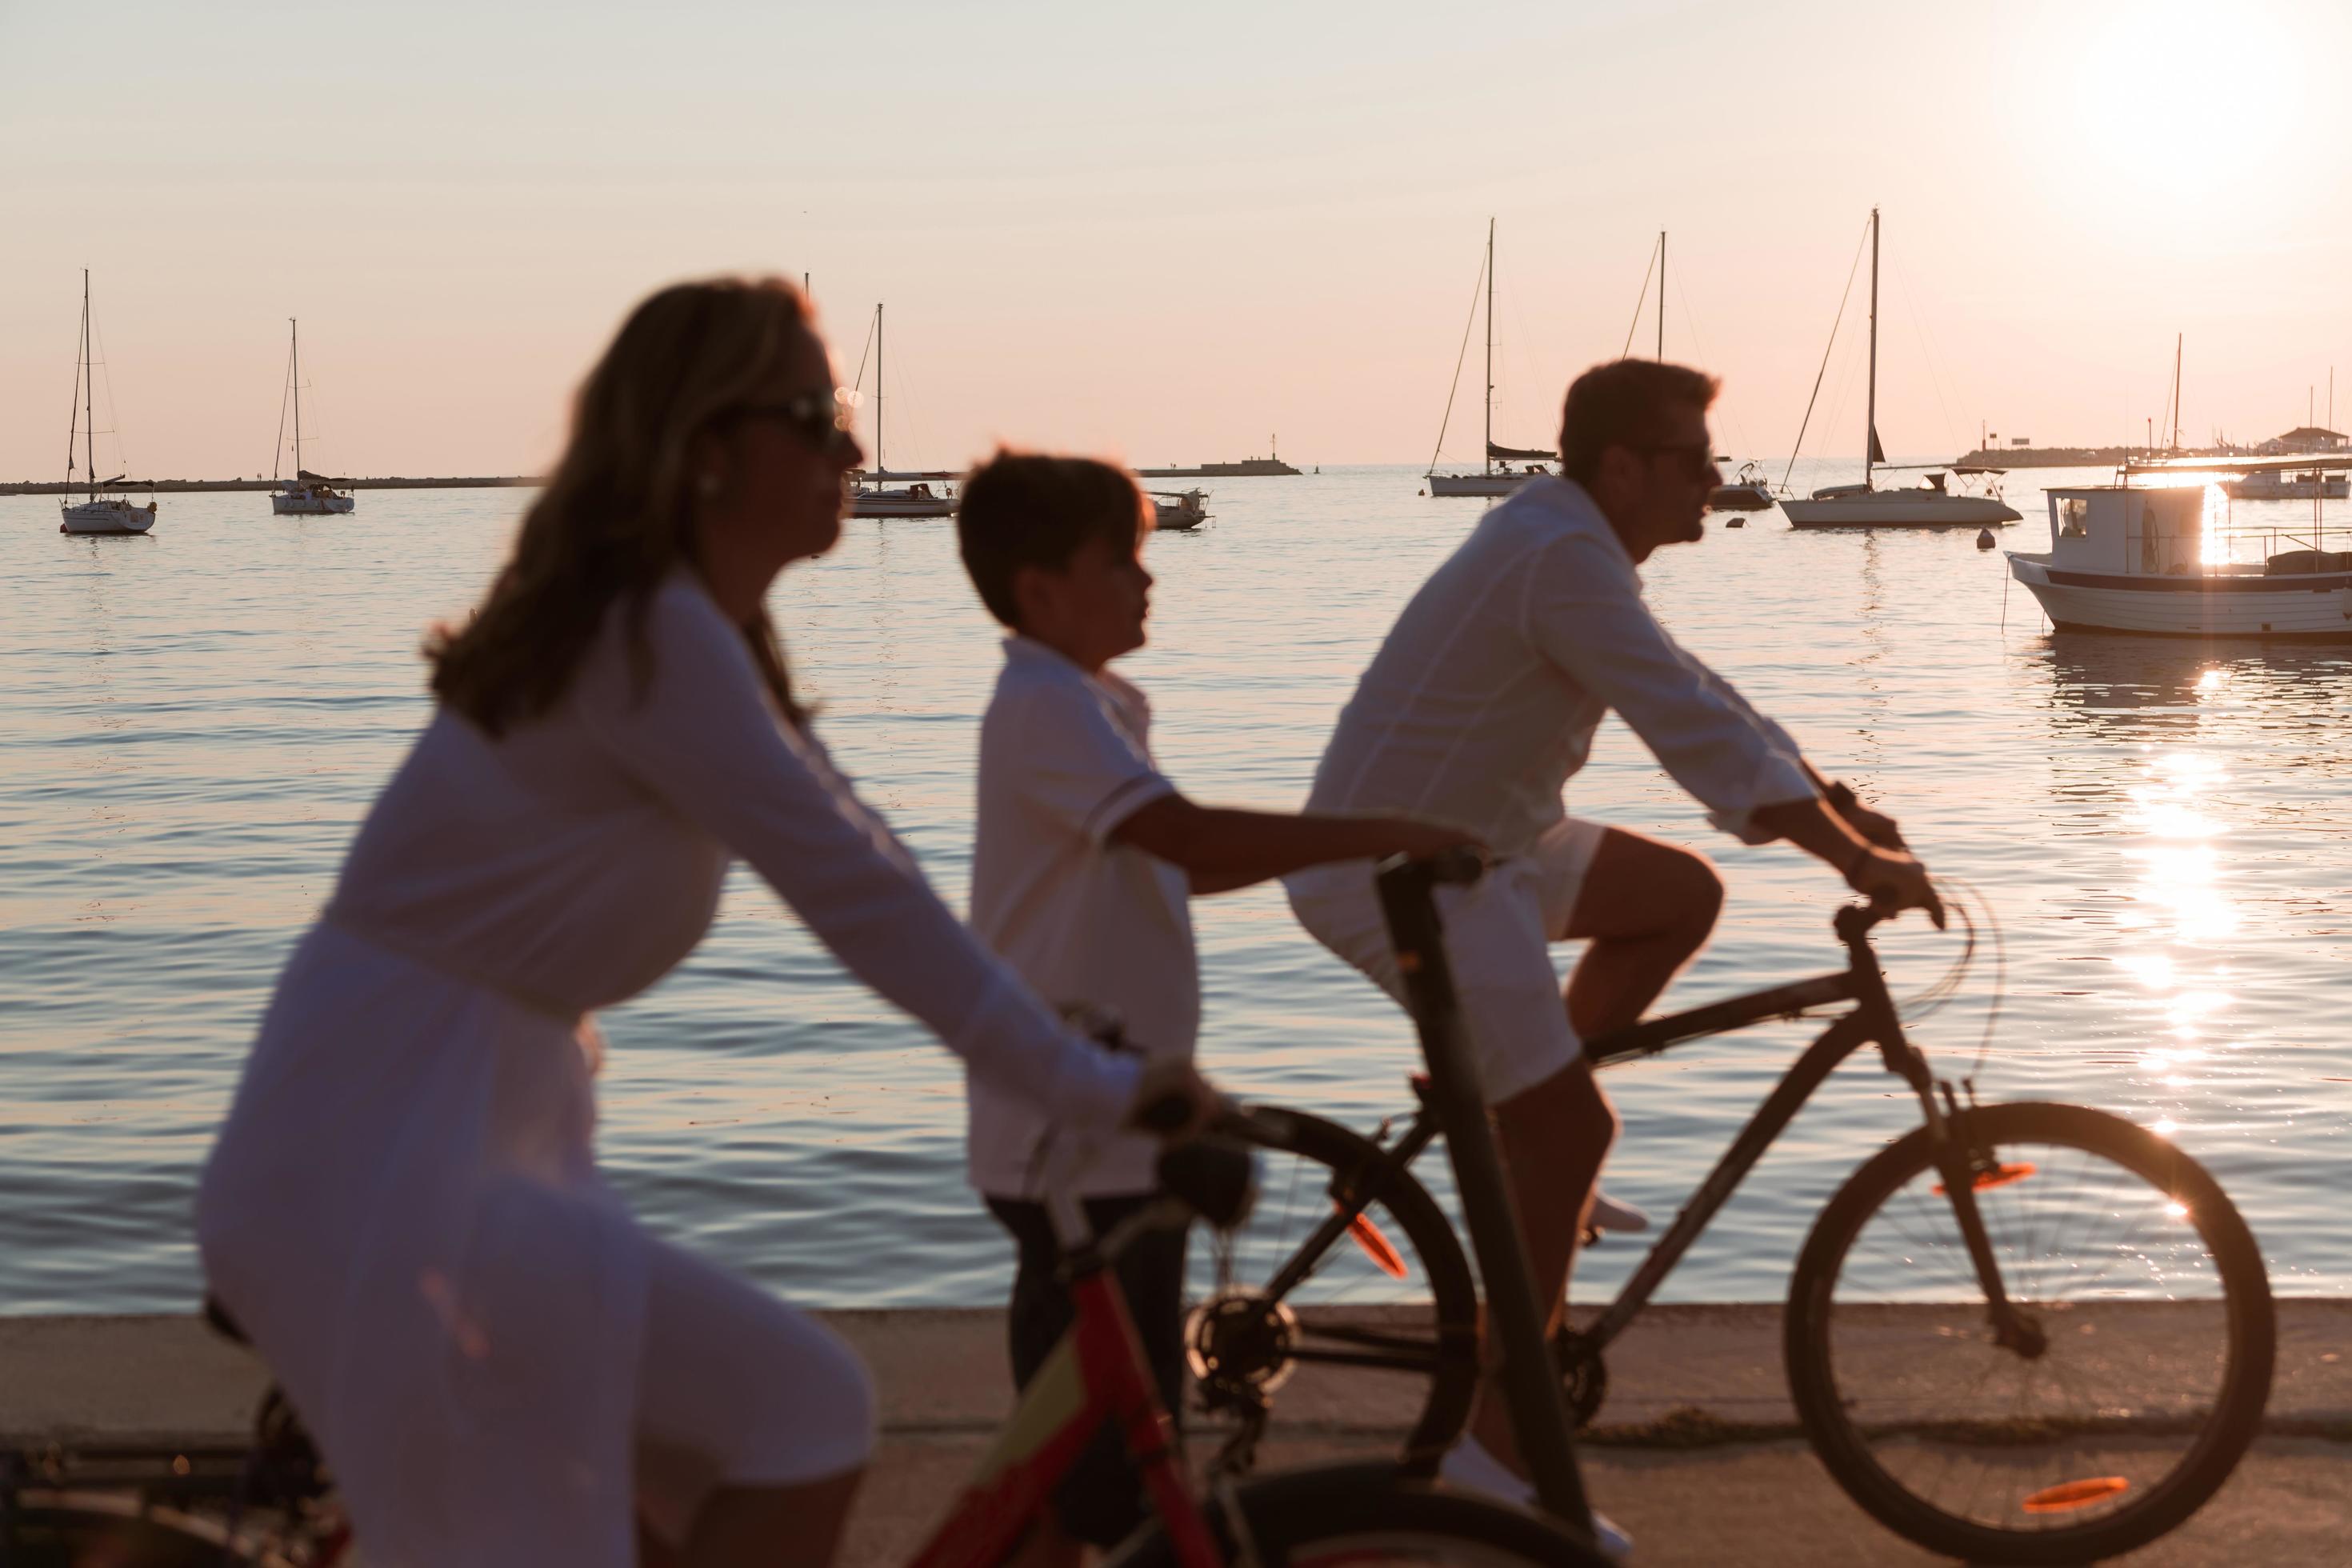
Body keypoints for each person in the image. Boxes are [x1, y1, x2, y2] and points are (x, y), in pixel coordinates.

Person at [194, 278, 1214, 1568]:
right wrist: (1090, 1087)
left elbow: (869, 853)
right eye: (820, 414)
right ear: (712, 448)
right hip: (386, 1151)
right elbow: (865, 904)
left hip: (445, 1131)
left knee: (685, 1492)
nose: (854, 448)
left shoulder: (702, 635)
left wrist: (1082, 1068)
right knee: (808, 1410)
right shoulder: (651, 635)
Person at [1285, 359, 1941, 1556]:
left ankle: (1512, 1127)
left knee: (1677, 896)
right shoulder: (1561, 559)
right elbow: (1684, 725)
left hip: (1486, 843)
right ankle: (1493, 1450)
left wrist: (1837, 802)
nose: (1716, 479)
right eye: (1695, 460)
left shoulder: (1574, 548)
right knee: (1576, 1137)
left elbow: (1702, 691)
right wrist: (1851, 863)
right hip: (1402, 873)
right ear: (1622, 467)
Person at [952, 452, 1478, 1565]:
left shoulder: (1090, 706)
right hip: (1073, 1146)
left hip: (1116, 1132)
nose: (1148, 582)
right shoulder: (1044, 709)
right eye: (1121, 564)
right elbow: (1186, 840)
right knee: (1102, 1473)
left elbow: (1176, 862)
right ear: (1042, 590)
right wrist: (1385, 829)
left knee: (1094, 1467)